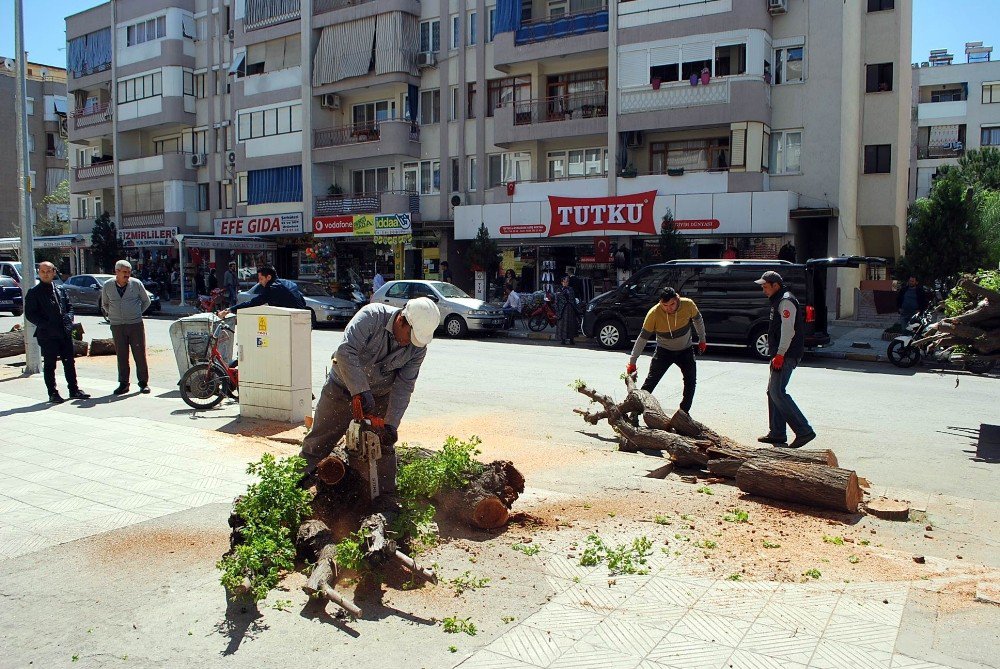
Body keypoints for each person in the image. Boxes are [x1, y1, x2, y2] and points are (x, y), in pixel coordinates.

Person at [300, 298, 441, 487]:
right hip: (341, 388)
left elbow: (404, 385)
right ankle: (296, 487)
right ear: (401, 320)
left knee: (378, 447)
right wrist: (360, 390)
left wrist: (391, 424)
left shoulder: (418, 348)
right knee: (317, 444)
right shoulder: (372, 316)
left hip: (380, 396)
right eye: (410, 336)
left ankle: (380, 497)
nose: (410, 343)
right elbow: (345, 351)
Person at [754, 271, 816, 449]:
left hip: (786, 354)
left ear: (776, 285)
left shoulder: (786, 301)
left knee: (777, 392)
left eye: (765, 286)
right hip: (781, 354)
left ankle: (804, 431)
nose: (763, 290)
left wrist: (780, 354)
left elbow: (789, 330)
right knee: (772, 392)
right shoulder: (778, 299)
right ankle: (777, 433)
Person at [625, 287, 707, 415]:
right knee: (650, 383)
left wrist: (702, 339)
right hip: (664, 351)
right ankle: (634, 413)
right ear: (660, 302)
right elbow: (643, 338)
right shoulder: (654, 313)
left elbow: (698, 320)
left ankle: (683, 413)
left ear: (677, 298)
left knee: (691, 382)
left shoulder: (688, 305)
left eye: (672, 304)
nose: (669, 308)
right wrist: (632, 361)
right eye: (665, 305)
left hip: (685, 350)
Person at [24, 262, 91, 404]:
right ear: (39, 273)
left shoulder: (60, 289)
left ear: (54, 272)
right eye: (42, 271)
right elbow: (30, 314)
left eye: (49, 271)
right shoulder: (34, 292)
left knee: (69, 362)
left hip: (64, 332)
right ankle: (53, 393)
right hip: (47, 335)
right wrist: (45, 324)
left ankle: (74, 389)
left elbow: (69, 307)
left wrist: (69, 319)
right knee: (50, 364)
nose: (46, 273)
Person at [101, 260, 152, 395]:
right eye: (124, 272)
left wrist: (136, 313)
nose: (127, 275)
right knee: (122, 355)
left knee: (139, 354)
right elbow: (105, 304)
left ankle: (143, 383)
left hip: (135, 324)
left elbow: (146, 301)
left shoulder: (136, 284)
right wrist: (113, 315)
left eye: (129, 272)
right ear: (116, 272)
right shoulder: (108, 285)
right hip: (117, 325)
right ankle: (123, 384)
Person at [218, 264, 306, 316]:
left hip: (288, 323)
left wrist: (229, 310)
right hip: (304, 319)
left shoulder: (272, 288)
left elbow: (252, 303)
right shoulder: (289, 283)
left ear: (269, 277)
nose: (259, 282)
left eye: (261, 279)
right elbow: (302, 301)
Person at [555, 275, 580, 345]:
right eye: (564, 282)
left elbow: (573, 299)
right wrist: (557, 311)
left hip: (570, 309)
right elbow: (556, 301)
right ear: (562, 282)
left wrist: (576, 309)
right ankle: (563, 339)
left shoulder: (571, 289)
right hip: (562, 310)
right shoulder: (559, 290)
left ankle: (571, 339)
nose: (566, 283)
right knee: (562, 325)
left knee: (571, 325)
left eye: (567, 282)